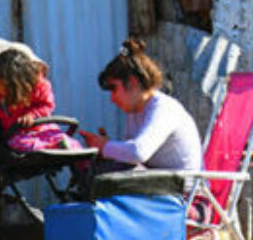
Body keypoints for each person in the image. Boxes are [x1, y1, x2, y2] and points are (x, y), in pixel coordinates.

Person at [80, 38, 202, 171]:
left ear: (133, 82)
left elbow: (138, 152)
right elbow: (130, 153)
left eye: (114, 89)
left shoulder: (164, 109)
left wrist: (105, 146)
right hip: (158, 181)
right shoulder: (135, 110)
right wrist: (107, 149)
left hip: (182, 188)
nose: (112, 99)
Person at [0, 48, 80, 152]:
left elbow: (46, 105)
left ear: (15, 84)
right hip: (18, 132)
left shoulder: (38, 88)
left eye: (1, 84)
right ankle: (51, 147)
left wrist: (32, 115)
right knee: (17, 143)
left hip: (42, 126)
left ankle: (81, 164)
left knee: (60, 137)